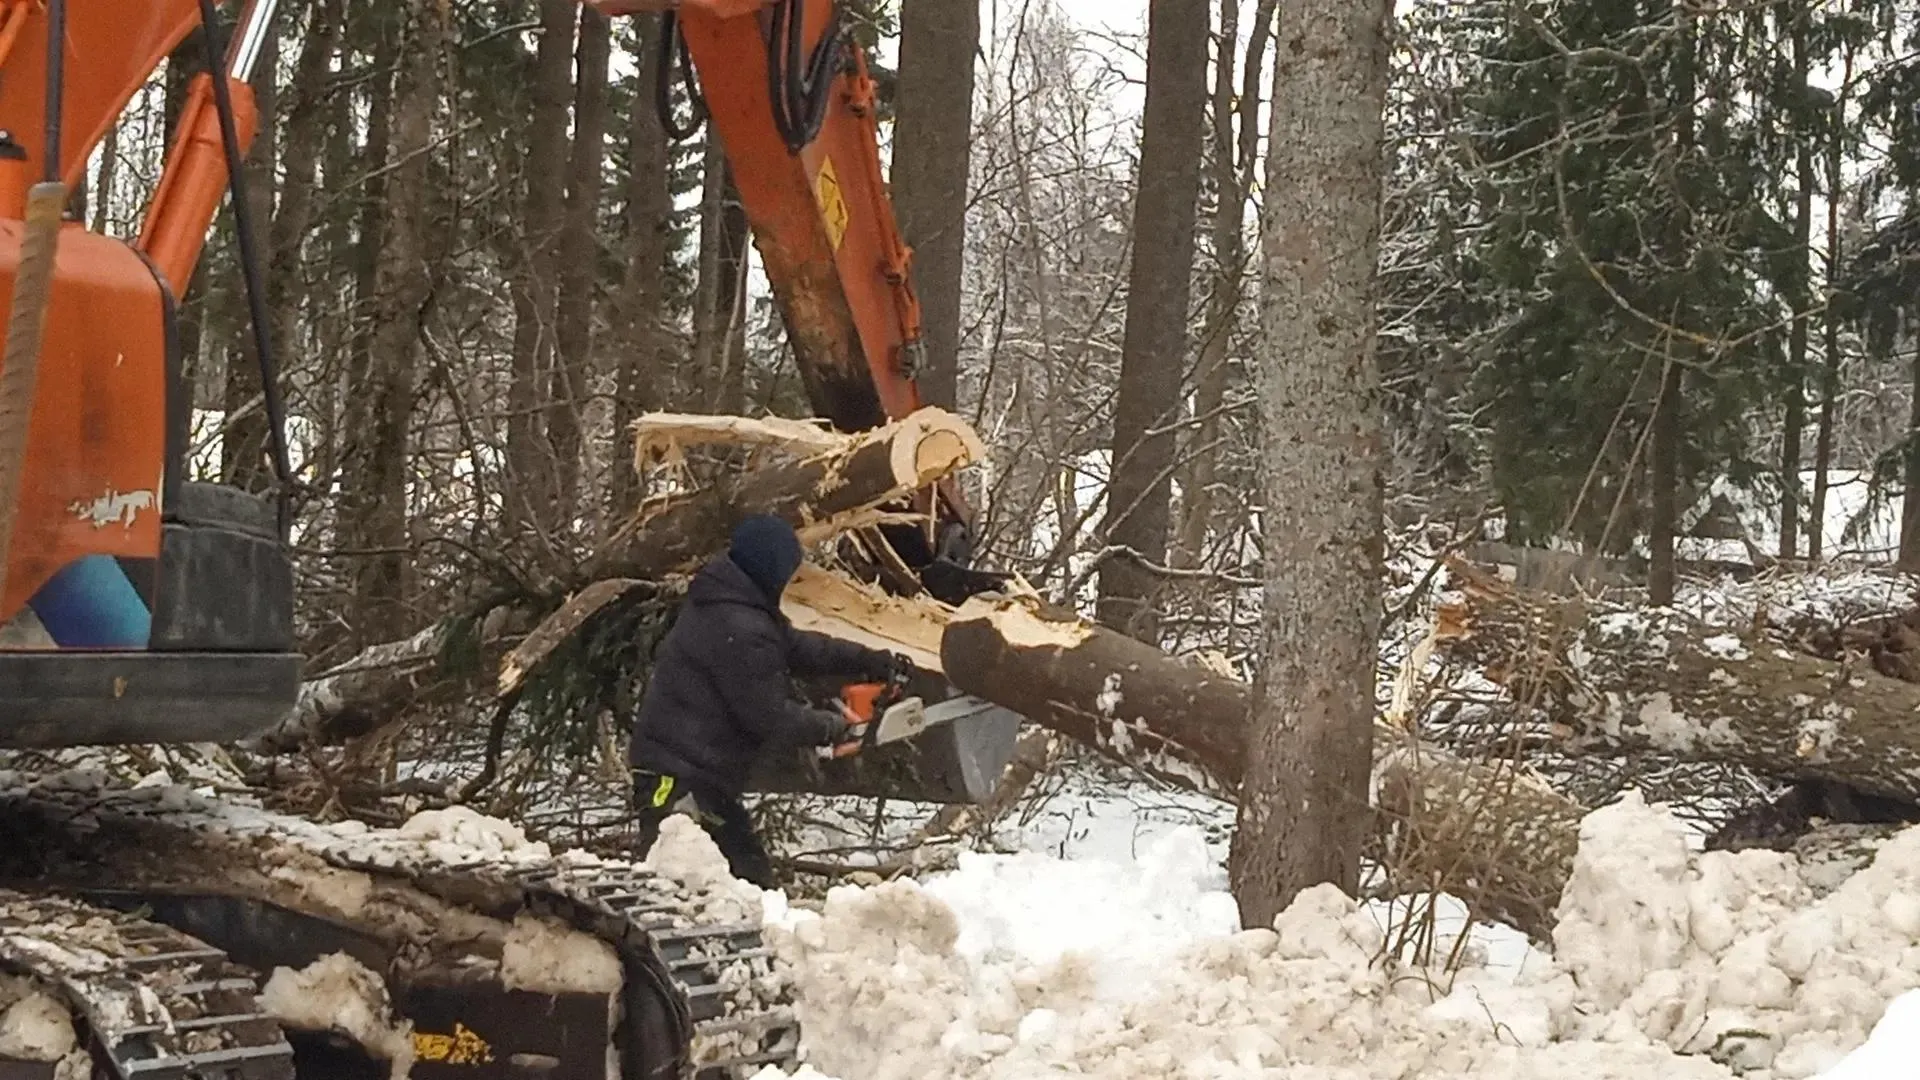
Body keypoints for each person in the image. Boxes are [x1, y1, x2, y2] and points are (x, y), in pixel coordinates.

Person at [629, 513, 906, 887]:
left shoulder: (737, 605)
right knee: (687, 880)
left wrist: (869, 660)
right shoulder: (741, 626)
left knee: (735, 880)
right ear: (771, 567)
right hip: (678, 776)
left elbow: (802, 649)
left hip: (699, 774)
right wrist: (832, 727)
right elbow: (768, 716)